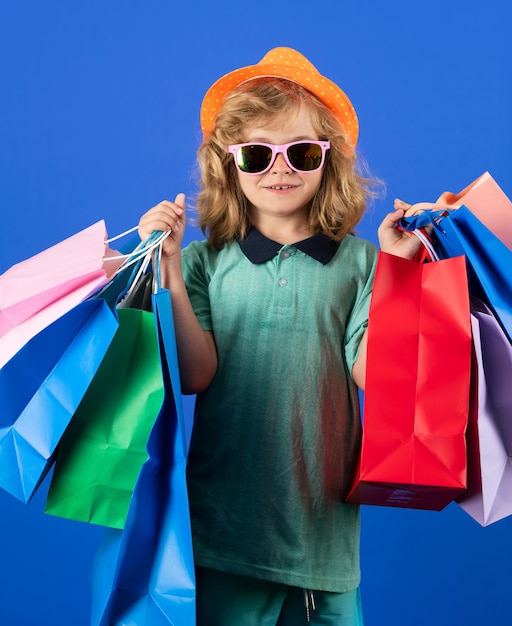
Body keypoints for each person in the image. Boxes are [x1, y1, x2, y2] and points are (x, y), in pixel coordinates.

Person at [138, 47, 425, 626]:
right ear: (228, 162)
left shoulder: (363, 264)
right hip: (224, 535)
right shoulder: (202, 263)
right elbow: (195, 375)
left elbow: (375, 375)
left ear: (329, 161)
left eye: (299, 151)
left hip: (326, 543)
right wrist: (166, 265)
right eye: (256, 153)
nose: (279, 168)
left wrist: (398, 274)